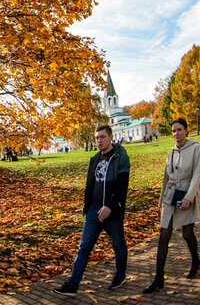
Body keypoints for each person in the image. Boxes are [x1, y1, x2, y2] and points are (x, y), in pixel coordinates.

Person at [55, 124, 131, 295]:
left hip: (112, 211)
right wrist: (87, 206)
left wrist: (110, 206)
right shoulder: (95, 159)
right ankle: (72, 285)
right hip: (93, 211)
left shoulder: (120, 157)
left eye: (102, 137)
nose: (99, 140)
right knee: (84, 247)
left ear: (111, 137)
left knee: (118, 245)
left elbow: (122, 186)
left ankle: (120, 275)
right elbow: (90, 185)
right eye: (97, 137)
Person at [143, 118, 200, 293]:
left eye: (179, 129)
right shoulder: (170, 152)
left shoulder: (195, 148)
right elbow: (166, 177)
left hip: (186, 194)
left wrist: (189, 197)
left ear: (186, 131)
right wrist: (161, 200)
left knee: (187, 234)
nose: (176, 133)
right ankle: (158, 278)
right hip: (170, 196)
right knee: (164, 235)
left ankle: (196, 261)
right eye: (173, 131)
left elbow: (197, 174)